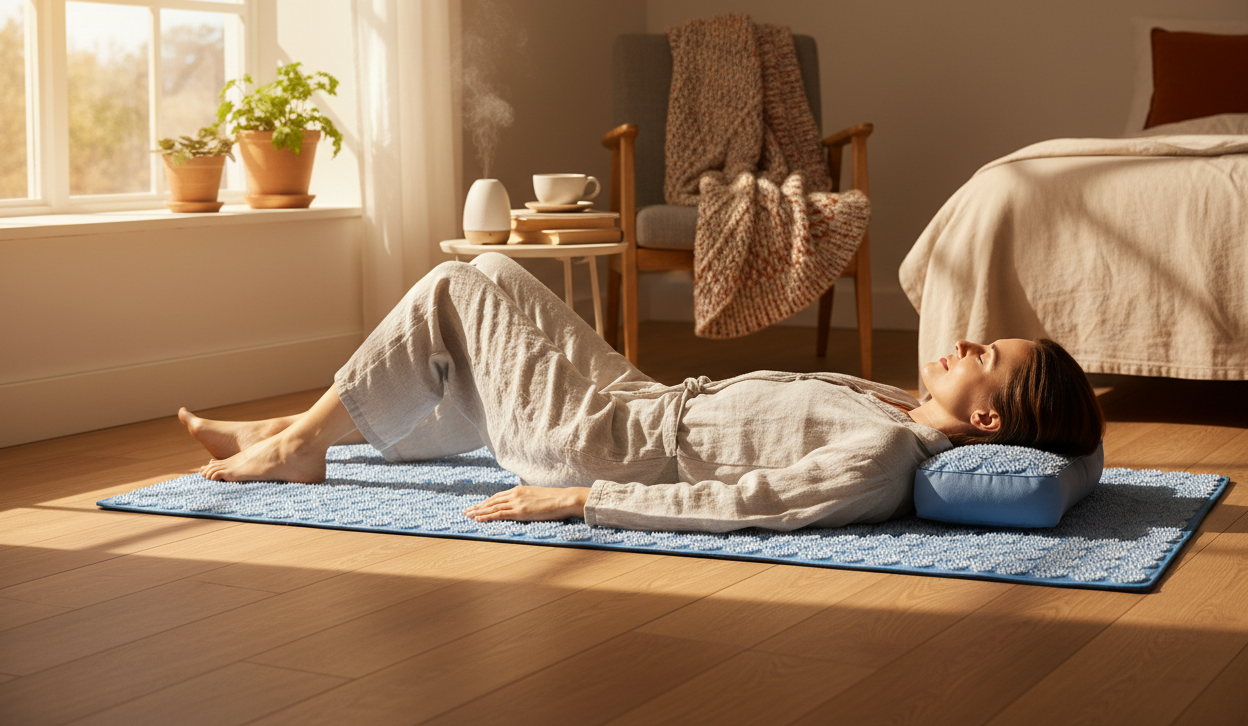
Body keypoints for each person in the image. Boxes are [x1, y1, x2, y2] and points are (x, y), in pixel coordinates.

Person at [181, 253, 1104, 533]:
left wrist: (584, 499)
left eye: (990, 354)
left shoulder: (890, 451)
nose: (968, 340)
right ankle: (306, 428)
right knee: (480, 311)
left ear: (985, 417)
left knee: (464, 286)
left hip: (606, 441)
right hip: (640, 398)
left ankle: (301, 442)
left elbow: (753, 503)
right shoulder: (898, 403)